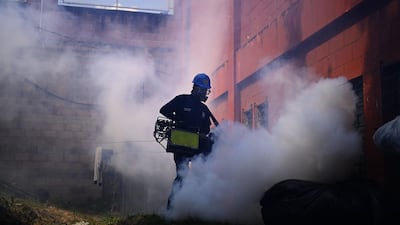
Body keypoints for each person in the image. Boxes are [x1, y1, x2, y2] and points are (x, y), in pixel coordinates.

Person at [159, 73, 218, 210]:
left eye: (206, 90)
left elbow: (206, 130)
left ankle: (195, 209)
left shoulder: (204, 109)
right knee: (182, 175)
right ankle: (171, 211)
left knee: (200, 176)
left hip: (195, 145)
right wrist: (177, 118)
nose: (205, 93)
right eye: (203, 90)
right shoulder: (181, 100)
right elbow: (164, 110)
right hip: (181, 143)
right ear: (197, 88)